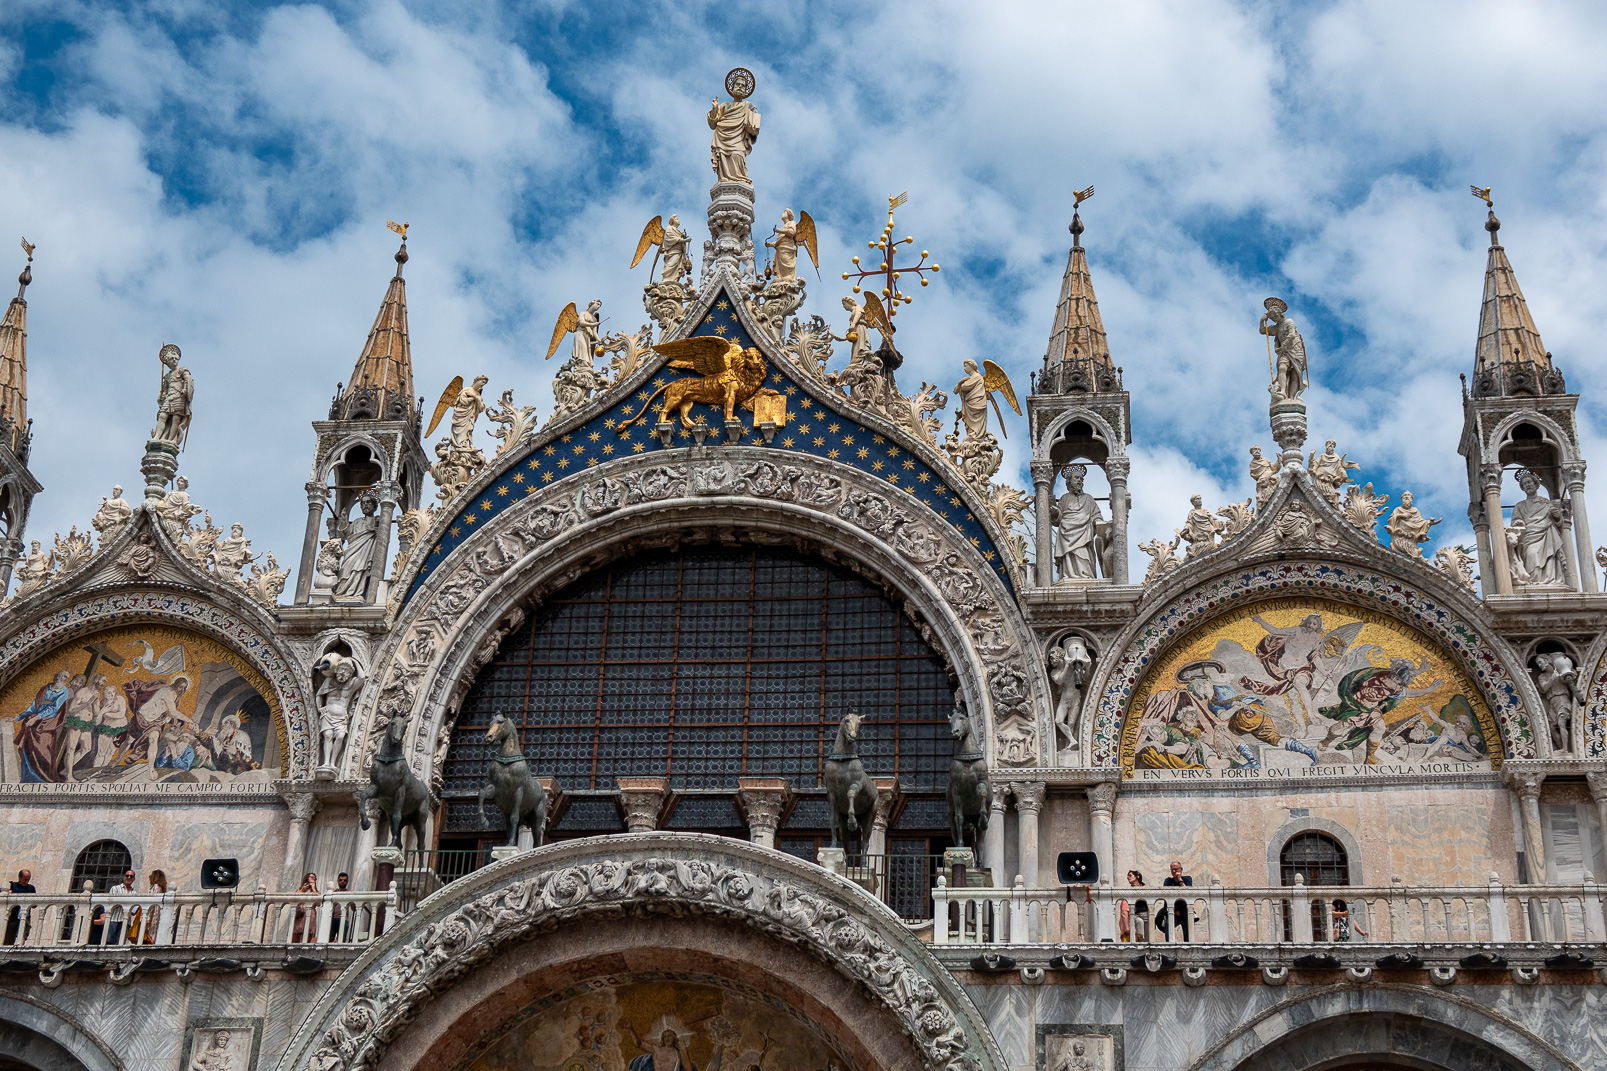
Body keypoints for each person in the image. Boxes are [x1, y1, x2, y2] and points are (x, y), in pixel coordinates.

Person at [1159, 860, 1193, 942]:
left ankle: (1188, 947)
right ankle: (1169, 944)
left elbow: (1187, 892)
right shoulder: (1168, 881)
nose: (1174, 871)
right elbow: (1166, 895)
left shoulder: (1187, 879)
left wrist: (1180, 879)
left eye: (1176, 869)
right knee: (1167, 924)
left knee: (1188, 931)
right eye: (1172, 870)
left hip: (1185, 912)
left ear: (1181, 869)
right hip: (1173, 911)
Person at [104, 869, 137, 946]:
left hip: (126, 921)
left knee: (120, 942)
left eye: (131, 876)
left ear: (133, 879)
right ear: (124, 877)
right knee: (108, 940)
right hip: (113, 919)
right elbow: (112, 903)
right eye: (127, 875)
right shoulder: (115, 888)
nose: (129, 877)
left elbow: (133, 910)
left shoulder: (134, 893)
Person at [4, 869, 34, 945]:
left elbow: (34, 905)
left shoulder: (31, 888)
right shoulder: (12, 885)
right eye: (25, 880)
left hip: (24, 915)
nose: (26, 882)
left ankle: (19, 947)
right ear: (19, 877)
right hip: (12, 916)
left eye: (28, 880)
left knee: (23, 934)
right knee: (9, 937)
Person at [1120, 870, 1149, 943]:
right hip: (1136, 915)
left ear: (1137, 876)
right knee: (1139, 923)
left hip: (1146, 914)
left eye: (1130, 875)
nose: (1128, 877)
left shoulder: (1145, 888)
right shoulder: (1129, 892)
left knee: (1148, 936)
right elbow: (1124, 913)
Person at [140, 870, 168, 944]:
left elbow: (151, 903)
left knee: (147, 936)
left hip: (151, 916)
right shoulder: (160, 888)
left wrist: (147, 918)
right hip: (156, 916)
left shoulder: (154, 888)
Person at [291, 873, 319, 943]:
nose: (313, 879)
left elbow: (318, 903)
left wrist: (314, 889)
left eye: (314, 878)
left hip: (310, 916)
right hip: (300, 914)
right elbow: (293, 899)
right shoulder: (298, 889)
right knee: (295, 938)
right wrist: (301, 891)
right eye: (311, 877)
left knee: (307, 939)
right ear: (306, 878)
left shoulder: (316, 892)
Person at [329, 873, 350, 942]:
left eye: (344, 880)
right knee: (329, 938)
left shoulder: (349, 893)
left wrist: (350, 897)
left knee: (342, 939)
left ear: (347, 882)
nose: (342, 882)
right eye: (340, 880)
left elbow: (354, 908)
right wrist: (332, 893)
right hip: (332, 917)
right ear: (337, 881)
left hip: (344, 918)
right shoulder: (333, 892)